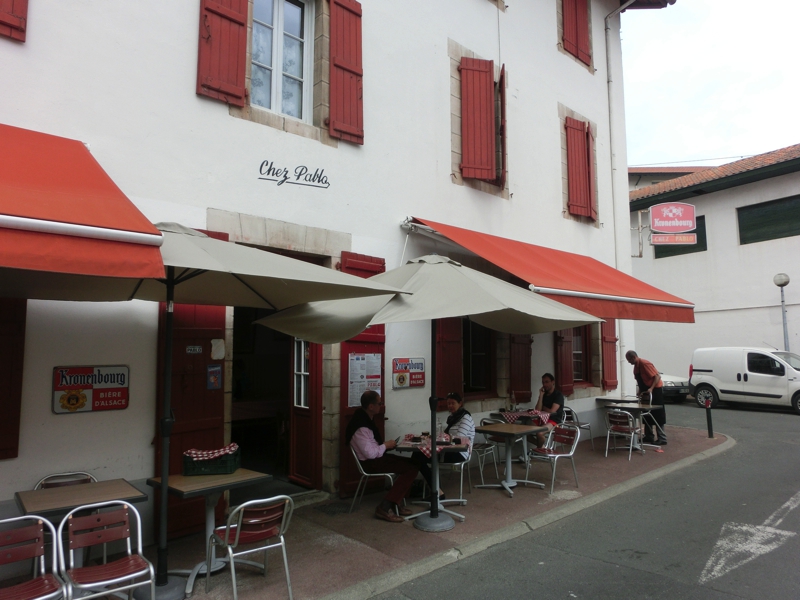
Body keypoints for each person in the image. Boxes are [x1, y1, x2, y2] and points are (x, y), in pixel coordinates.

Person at [346, 390, 418, 523]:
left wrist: (387, 446)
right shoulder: (361, 427)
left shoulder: (366, 419)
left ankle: (395, 502)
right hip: (371, 463)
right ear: (371, 406)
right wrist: (385, 445)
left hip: (376, 458)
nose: (381, 405)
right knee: (411, 469)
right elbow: (370, 453)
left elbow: (372, 447)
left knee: (413, 463)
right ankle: (385, 507)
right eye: (379, 403)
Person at [625, 350, 667, 445]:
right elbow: (640, 381)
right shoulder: (636, 367)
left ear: (634, 357)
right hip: (645, 392)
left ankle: (662, 438)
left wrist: (651, 388)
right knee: (646, 414)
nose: (628, 362)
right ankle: (649, 436)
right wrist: (640, 391)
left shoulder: (645, 364)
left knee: (657, 415)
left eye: (629, 359)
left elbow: (657, 377)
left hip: (655, 391)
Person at [531, 373, 565, 448]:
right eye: (543, 382)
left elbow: (552, 411)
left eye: (546, 382)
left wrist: (543, 408)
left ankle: (539, 450)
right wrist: (541, 395)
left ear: (553, 382)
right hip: (541, 419)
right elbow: (538, 410)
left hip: (553, 421)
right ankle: (542, 447)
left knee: (539, 433)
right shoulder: (544, 394)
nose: (544, 384)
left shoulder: (558, 395)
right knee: (523, 431)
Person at [442, 392, 475, 463]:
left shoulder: (465, 418)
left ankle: (432, 471)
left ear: (460, 403)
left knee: (426, 457)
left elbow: (459, 438)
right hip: (450, 449)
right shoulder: (452, 418)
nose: (450, 406)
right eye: (448, 403)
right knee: (421, 455)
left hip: (460, 453)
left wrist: (446, 438)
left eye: (453, 403)